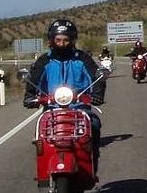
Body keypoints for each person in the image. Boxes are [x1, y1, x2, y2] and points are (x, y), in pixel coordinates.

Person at [23, 19, 106, 179]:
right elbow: (33, 79)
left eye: (66, 40)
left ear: (72, 40)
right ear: (52, 40)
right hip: (52, 109)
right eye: (58, 40)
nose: (62, 44)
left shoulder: (83, 59)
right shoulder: (44, 61)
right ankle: (43, 172)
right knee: (40, 134)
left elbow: (97, 76)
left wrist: (97, 95)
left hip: (80, 108)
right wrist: (30, 96)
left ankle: (91, 169)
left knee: (94, 125)